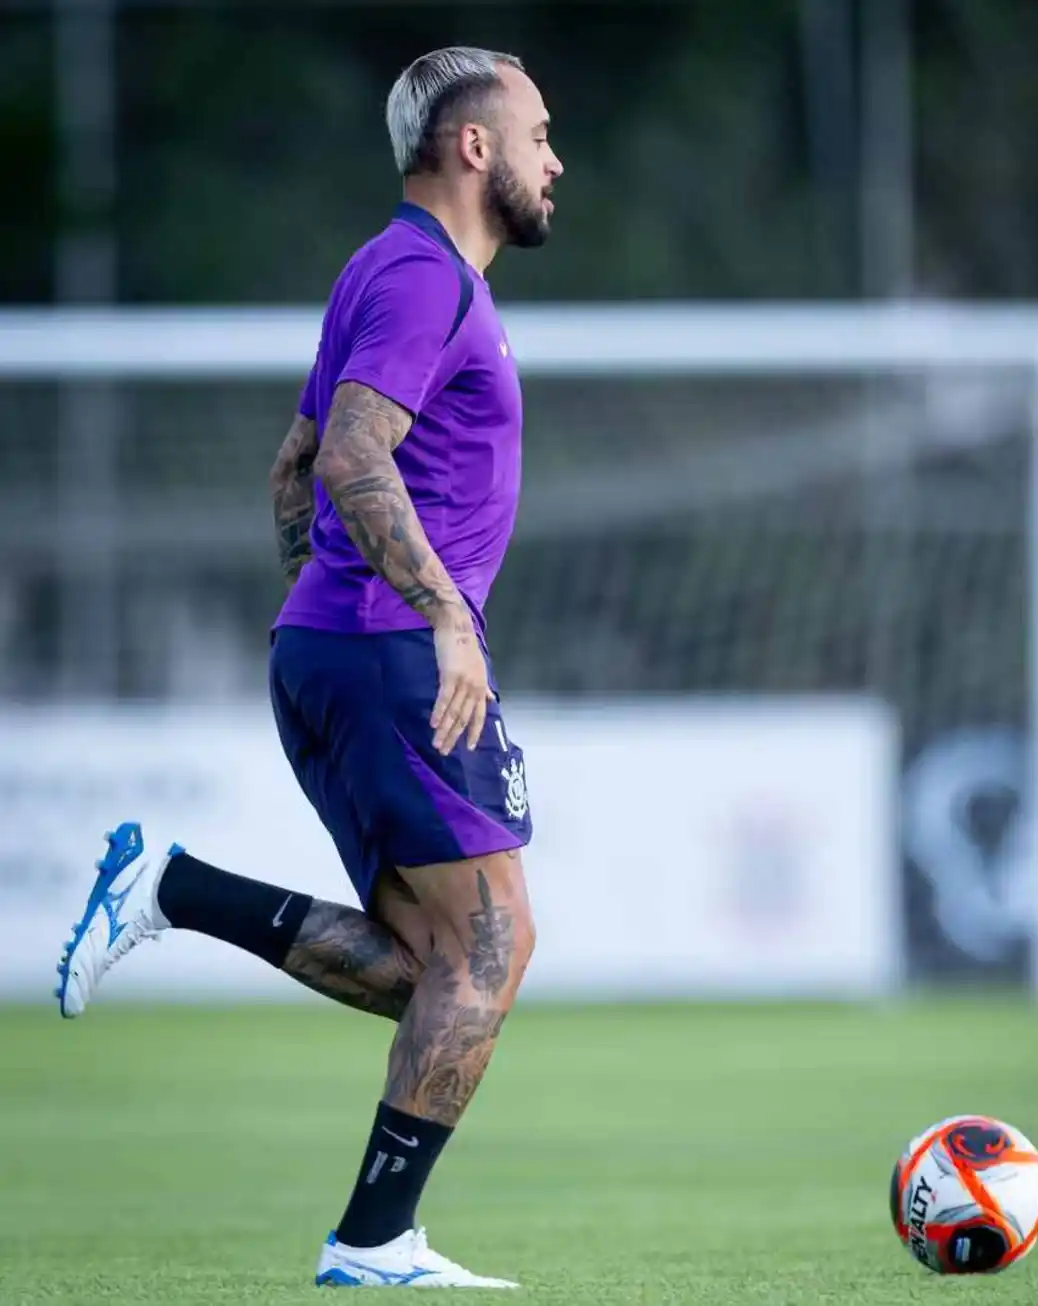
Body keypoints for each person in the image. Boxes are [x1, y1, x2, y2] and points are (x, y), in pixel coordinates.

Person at [55, 46, 563, 1290]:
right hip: (391, 647)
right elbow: (345, 457)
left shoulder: (383, 270)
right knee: (489, 954)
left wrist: (324, 620)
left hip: (348, 647)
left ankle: (176, 891)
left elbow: (290, 468)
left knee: (443, 972)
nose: (558, 158)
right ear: (475, 148)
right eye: (539, 132)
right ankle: (374, 1239)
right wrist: (433, 616)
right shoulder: (420, 277)